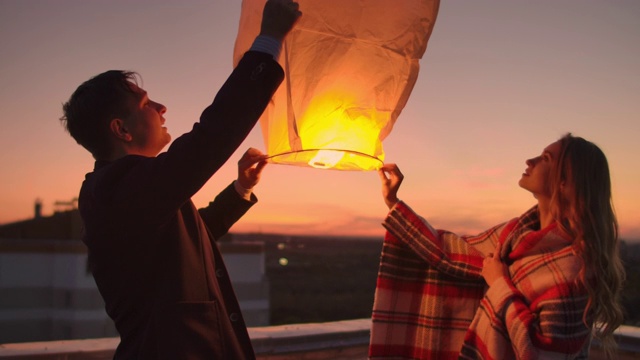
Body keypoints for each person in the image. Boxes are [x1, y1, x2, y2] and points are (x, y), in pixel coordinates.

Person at [58, 1, 301, 358]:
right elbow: (208, 140)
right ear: (121, 129)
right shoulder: (116, 192)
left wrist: (241, 189)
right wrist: (268, 40)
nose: (161, 108)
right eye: (145, 103)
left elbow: (190, 236)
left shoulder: (132, 193)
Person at [370, 134, 625, 359]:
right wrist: (393, 202)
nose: (530, 160)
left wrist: (499, 284)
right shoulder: (514, 234)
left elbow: (541, 353)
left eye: (546, 158)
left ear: (566, 183)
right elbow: (453, 253)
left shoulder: (574, 270)